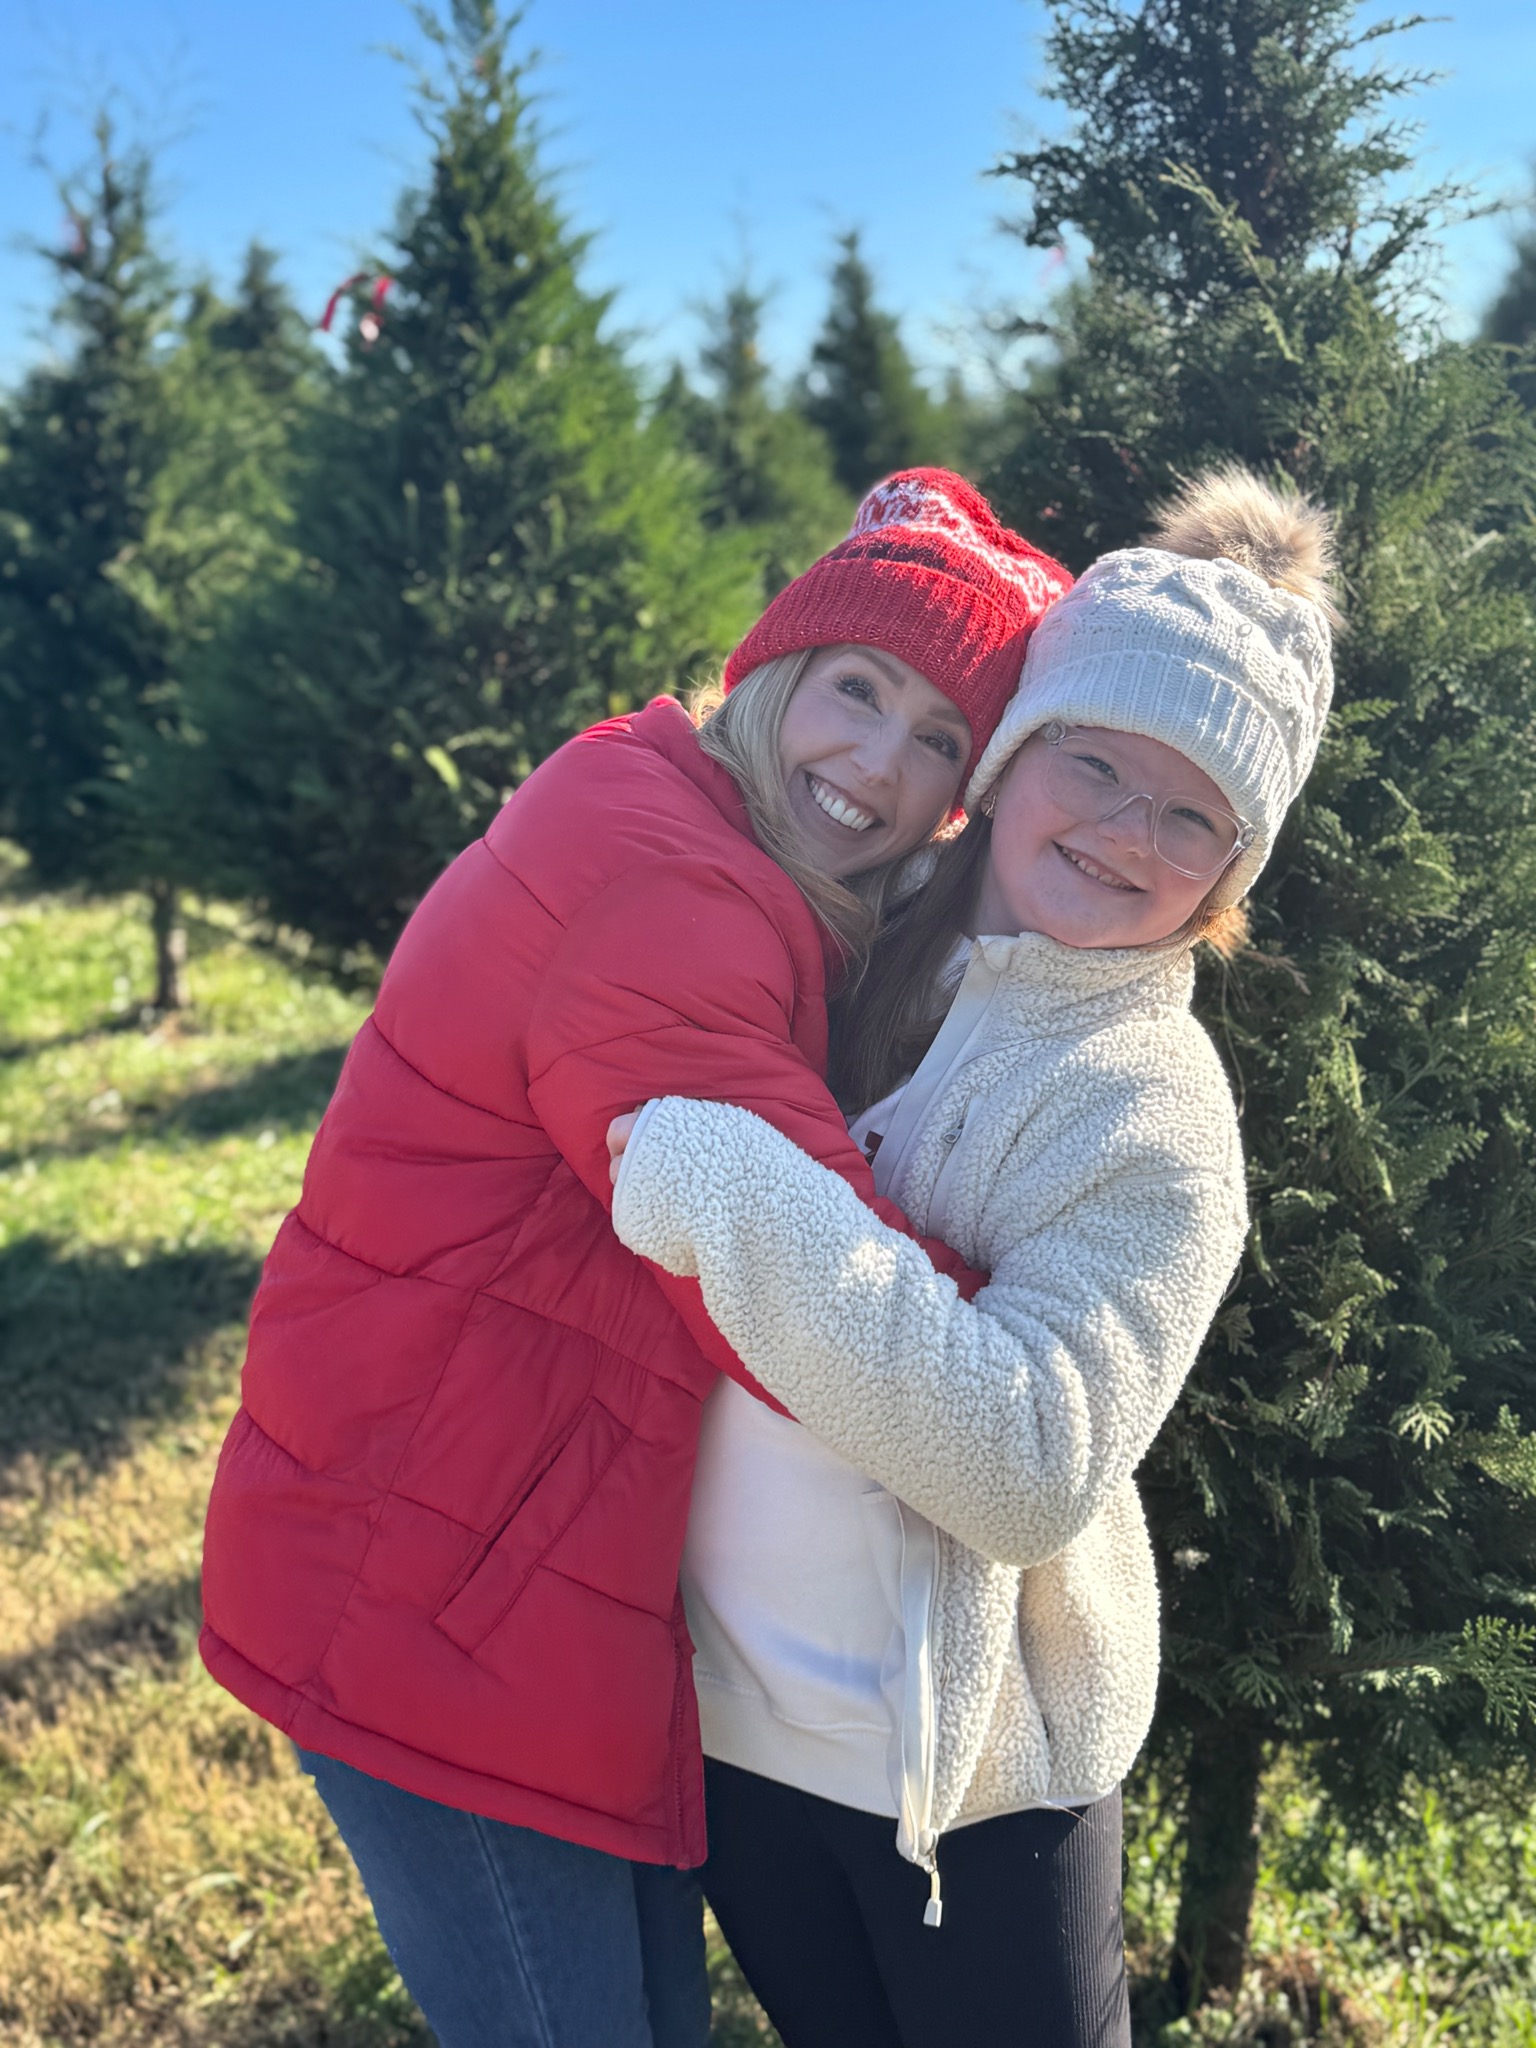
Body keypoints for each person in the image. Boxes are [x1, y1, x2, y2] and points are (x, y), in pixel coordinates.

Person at [197, 469, 1070, 2048]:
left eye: (941, 737)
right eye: (857, 690)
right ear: (776, 665)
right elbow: (806, 1290)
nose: (878, 763)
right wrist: (1043, 1350)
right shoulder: (673, 899)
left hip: (486, 1569)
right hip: (432, 1596)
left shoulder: (661, 794)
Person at [607, 467, 1340, 2048]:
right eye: (1097, 762)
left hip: (972, 1796)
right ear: (1008, 759)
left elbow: (1026, 1464)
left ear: (1229, 872)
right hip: (734, 1738)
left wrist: (729, 1187)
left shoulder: (1154, 1117)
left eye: (1192, 815)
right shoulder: (839, 931)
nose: (1126, 832)